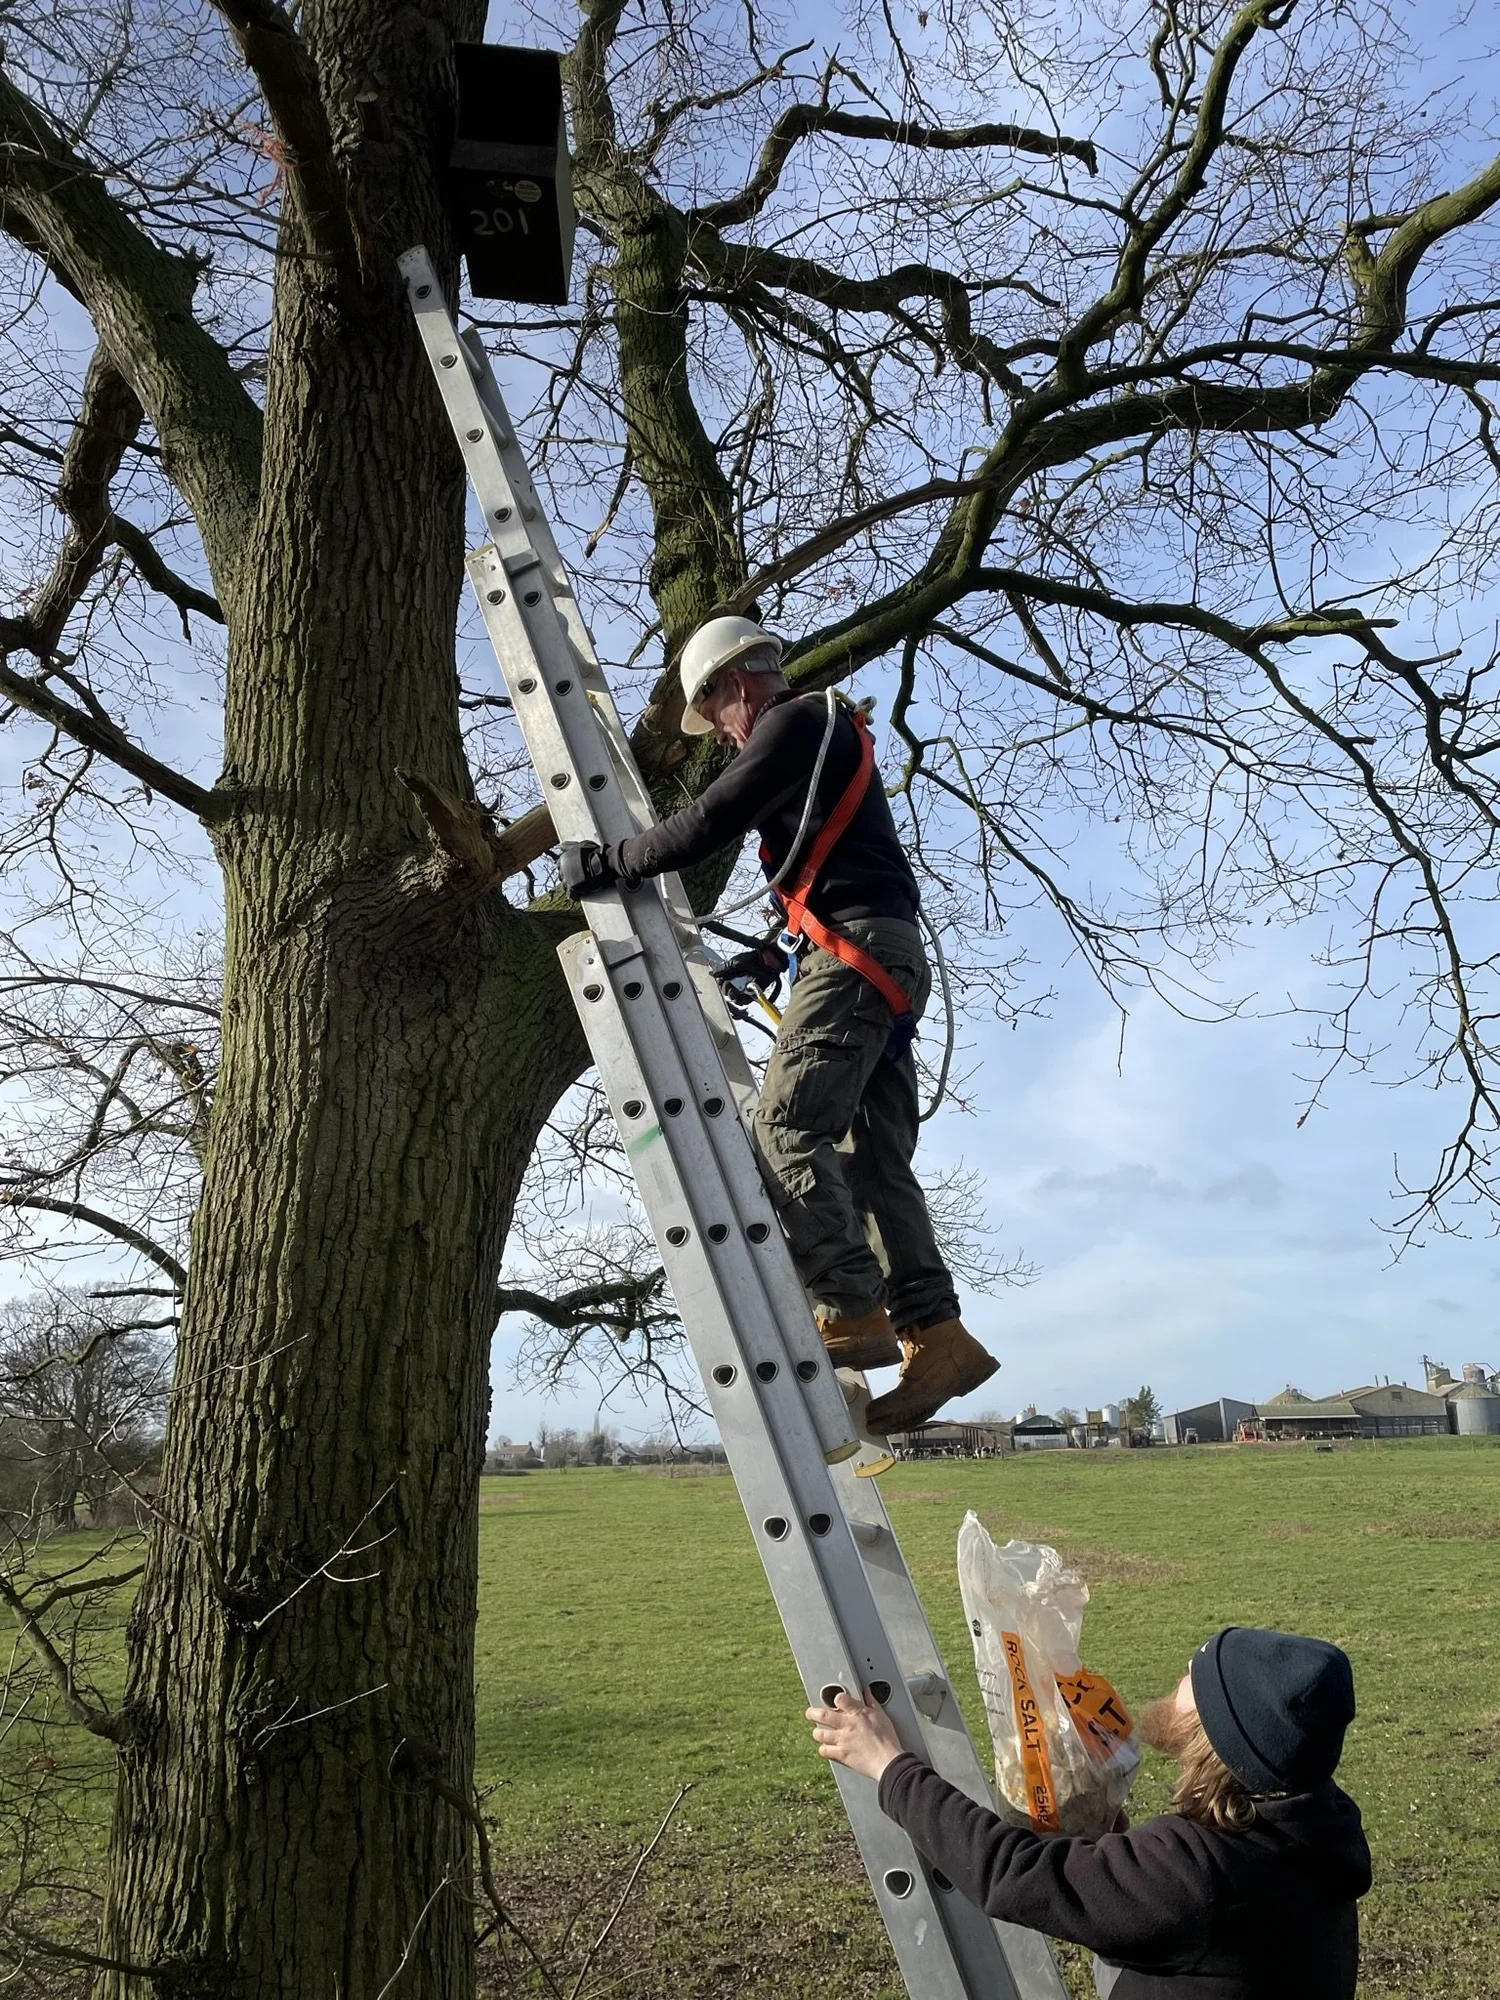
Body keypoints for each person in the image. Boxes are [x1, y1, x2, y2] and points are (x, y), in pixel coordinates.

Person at [559, 615, 998, 1434]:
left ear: (734, 684)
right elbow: (835, 868)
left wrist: (609, 862)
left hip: (858, 956)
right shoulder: (825, 735)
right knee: (875, 1165)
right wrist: (769, 956)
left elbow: (705, 824)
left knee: (786, 1128)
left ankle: (851, 1306)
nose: (724, 740)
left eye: (715, 714)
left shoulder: (796, 719)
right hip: (880, 953)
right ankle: (938, 1334)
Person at [807, 1626, 1371, 1999]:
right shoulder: (1311, 1826)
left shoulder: (1199, 1874)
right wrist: (1116, 1859)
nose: (1180, 1679)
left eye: (1195, 1683)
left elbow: (1011, 1874)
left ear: (1217, 1734)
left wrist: (890, 1766)